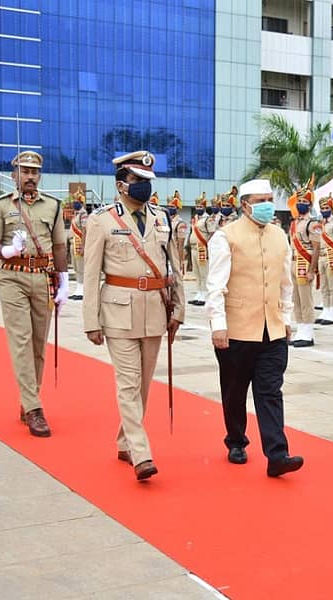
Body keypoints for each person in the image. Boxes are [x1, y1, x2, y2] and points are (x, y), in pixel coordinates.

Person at [83, 150, 185, 481]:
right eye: (137, 181)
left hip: (155, 308)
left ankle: (126, 441)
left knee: (143, 386)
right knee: (128, 384)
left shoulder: (162, 218)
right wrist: (91, 321)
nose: (144, 187)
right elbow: (90, 274)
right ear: (121, 185)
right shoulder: (101, 220)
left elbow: (175, 268)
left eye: (148, 182)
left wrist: (179, 308)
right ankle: (142, 455)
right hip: (118, 311)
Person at [206, 178, 304, 478]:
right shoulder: (226, 237)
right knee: (235, 392)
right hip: (236, 331)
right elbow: (216, 285)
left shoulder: (280, 236)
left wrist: (287, 319)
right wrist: (218, 325)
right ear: (245, 205)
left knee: (270, 391)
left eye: (270, 198)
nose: (267, 205)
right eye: (260, 200)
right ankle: (236, 440)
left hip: (272, 330)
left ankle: (277, 454)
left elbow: (285, 284)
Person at [0, 151, 69, 437]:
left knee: (37, 345)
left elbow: (59, 246)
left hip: (42, 278)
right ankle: (34, 408)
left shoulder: (54, 206)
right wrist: (7, 250)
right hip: (12, 277)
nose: (30, 176)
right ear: (14, 175)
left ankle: (28, 398)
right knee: (20, 340)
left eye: (34, 172)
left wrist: (64, 278)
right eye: (24, 171)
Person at [287, 182, 320, 347]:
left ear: (310, 205)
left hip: (304, 264)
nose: (301, 205)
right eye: (299, 202)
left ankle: (308, 333)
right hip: (293, 263)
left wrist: (312, 270)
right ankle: (300, 329)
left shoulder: (312, 223)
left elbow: (316, 248)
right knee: (296, 299)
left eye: (305, 203)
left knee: (306, 299)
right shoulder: (294, 223)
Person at [315, 193, 333, 325]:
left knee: (332, 286)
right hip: (321, 257)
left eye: (327, 208)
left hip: (331, 256)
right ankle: (325, 309)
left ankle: (332, 312)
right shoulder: (319, 223)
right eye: (322, 208)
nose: (324, 210)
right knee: (324, 286)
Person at [188, 192, 216, 306]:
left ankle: (205, 294)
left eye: (200, 207)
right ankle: (199, 292)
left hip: (202, 247)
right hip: (193, 248)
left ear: (204, 207)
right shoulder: (195, 218)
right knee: (197, 272)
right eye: (197, 207)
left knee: (204, 272)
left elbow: (212, 233)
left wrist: (208, 246)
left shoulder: (208, 219)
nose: (198, 208)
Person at [68, 189, 88, 300]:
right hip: (73, 242)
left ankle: (82, 290)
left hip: (79, 243)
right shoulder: (76, 214)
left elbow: (84, 230)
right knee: (76, 267)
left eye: (77, 201)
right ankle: (78, 289)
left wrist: (84, 246)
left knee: (81, 267)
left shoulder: (83, 214)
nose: (74, 203)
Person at [167, 191, 188, 278]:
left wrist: (180, 260)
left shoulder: (180, 223)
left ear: (177, 208)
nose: (169, 208)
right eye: (168, 206)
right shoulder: (165, 220)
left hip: (174, 253)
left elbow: (181, 244)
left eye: (172, 207)